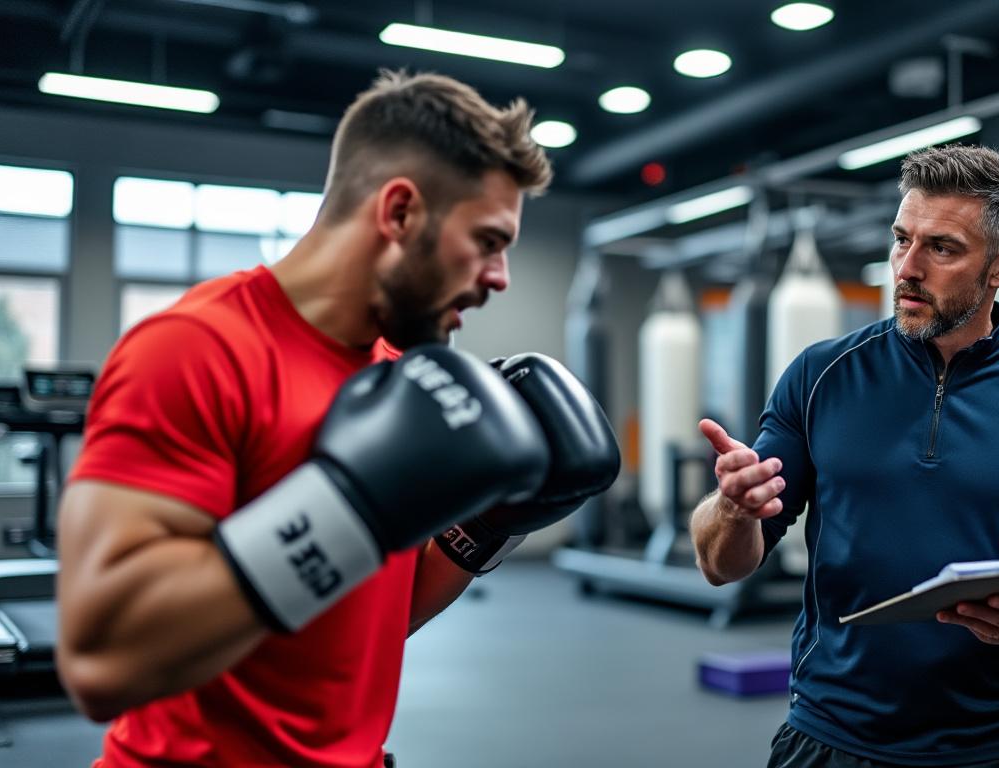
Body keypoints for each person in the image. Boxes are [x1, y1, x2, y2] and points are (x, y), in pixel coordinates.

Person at [55, 71, 618, 767]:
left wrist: (486, 528)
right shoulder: (196, 350)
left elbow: (374, 617)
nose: (500, 277)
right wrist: (346, 506)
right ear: (401, 213)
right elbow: (102, 660)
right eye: (489, 240)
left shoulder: (400, 376)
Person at [690, 144, 999, 768]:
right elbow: (722, 566)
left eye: (942, 248)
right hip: (829, 739)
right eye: (901, 240)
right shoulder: (821, 376)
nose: (905, 268)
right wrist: (734, 508)